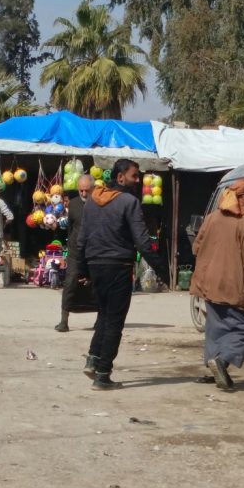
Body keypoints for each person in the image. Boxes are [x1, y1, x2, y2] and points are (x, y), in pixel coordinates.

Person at [75, 160, 162, 390]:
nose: (138, 180)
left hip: (95, 265)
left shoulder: (92, 200)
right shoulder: (129, 202)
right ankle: (103, 375)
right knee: (114, 321)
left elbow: (81, 239)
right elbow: (142, 241)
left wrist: (82, 269)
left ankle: (93, 360)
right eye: (134, 176)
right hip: (118, 266)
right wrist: (162, 269)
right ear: (121, 177)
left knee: (104, 314)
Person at [189, 179, 244, 390]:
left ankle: (214, 367)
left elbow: (196, 248)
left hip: (209, 284)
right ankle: (222, 362)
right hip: (234, 287)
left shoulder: (212, 218)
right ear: (243, 197)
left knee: (216, 328)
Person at [55, 174, 96, 332]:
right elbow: (71, 228)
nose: (84, 194)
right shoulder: (73, 204)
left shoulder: (100, 203)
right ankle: (64, 321)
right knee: (70, 283)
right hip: (75, 251)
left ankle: (99, 320)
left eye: (87, 190)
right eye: (81, 190)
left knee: (96, 285)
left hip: (94, 251)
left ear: (93, 189)